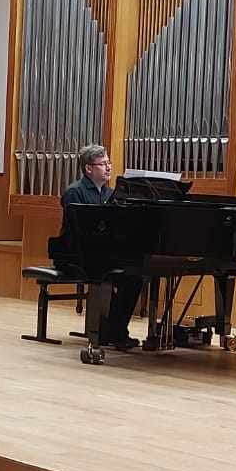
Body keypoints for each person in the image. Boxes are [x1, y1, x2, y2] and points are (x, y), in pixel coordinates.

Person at [61, 143, 142, 351]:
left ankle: (115, 331)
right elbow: (78, 232)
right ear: (89, 168)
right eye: (103, 164)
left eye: (109, 163)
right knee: (114, 276)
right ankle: (111, 333)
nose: (108, 167)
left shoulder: (111, 194)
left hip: (103, 254)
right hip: (75, 255)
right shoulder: (74, 192)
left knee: (133, 278)